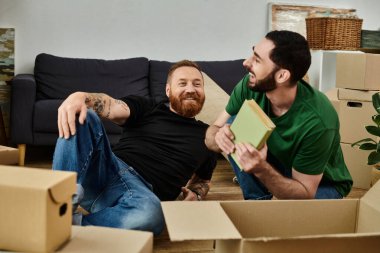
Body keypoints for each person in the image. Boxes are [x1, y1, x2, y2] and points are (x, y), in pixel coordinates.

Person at [53, 60, 217, 235]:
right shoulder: (149, 107)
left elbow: (202, 181)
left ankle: (66, 226)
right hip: (106, 170)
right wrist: (80, 97)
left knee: (151, 215)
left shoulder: (209, 137)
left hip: (140, 196)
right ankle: (56, 206)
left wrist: (196, 195)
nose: (191, 89)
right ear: (168, 90)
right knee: (84, 115)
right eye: (182, 83)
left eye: (197, 84)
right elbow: (112, 106)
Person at [205, 30, 352, 200]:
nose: (246, 62)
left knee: (289, 221)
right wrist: (219, 136)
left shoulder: (319, 121)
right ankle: (257, 202)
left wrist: (260, 168)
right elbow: (211, 134)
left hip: (320, 184)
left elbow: (304, 193)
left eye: (257, 60)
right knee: (233, 122)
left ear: (282, 75)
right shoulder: (250, 84)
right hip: (279, 163)